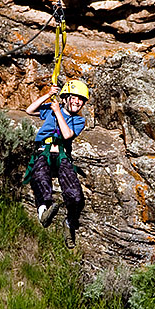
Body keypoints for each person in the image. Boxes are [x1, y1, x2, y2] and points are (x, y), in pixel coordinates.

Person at [24, 79, 89, 248]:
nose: (77, 102)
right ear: (65, 98)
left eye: (80, 100)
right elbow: (29, 110)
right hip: (43, 151)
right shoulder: (51, 109)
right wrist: (48, 95)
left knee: (75, 195)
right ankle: (43, 213)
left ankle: (70, 223)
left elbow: (67, 135)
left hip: (61, 155)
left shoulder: (79, 121)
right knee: (40, 176)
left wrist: (58, 111)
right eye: (74, 97)